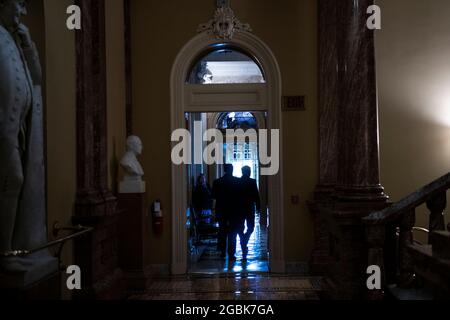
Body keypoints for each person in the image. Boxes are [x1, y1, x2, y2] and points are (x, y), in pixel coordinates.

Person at [0, 0, 47, 271]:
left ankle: (9, 249)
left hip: (20, 128)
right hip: (5, 127)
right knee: (12, 179)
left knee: (16, 181)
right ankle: (5, 251)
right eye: (18, 4)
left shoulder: (16, 40)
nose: (23, 11)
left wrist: (28, 44)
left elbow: (37, 78)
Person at [211, 164, 242, 260]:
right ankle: (232, 254)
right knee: (233, 233)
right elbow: (240, 198)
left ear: (224, 170)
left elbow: (214, 196)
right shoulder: (237, 181)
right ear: (232, 170)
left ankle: (223, 252)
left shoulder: (217, 182)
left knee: (222, 232)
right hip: (234, 211)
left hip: (221, 211)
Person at [238, 166, 261, 260]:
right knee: (250, 227)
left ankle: (243, 241)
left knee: (240, 227)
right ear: (249, 172)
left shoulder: (238, 181)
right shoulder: (252, 181)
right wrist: (258, 207)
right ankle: (244, 240)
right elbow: (256, 195)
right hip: (249, 208)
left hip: (240, 209)